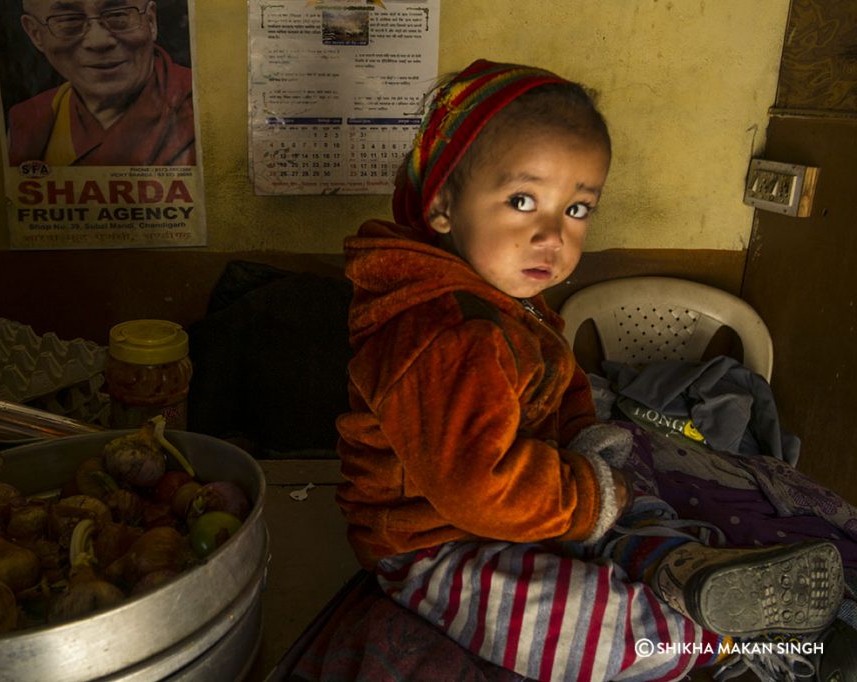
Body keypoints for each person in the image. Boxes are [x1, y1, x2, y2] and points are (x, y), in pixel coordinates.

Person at [335, 59, 848, 681]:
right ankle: (724, 640)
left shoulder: (508, 302)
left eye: (577, 209)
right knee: (576, 621)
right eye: (522, 201)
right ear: (443, 205)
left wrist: (596, 463)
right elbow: (476, 489)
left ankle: (681, 567)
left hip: (530, 501)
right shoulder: (448, 333)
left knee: (632, 496)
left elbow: (558, 394)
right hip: (439, 542)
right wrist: (590, 498)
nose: (551, 234)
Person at [8, 0, 196, 167]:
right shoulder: (28, 122)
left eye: (118, 15)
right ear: (35, 34)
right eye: (68, 20)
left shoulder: (202, 103)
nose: (98, 41)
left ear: (151, 21)